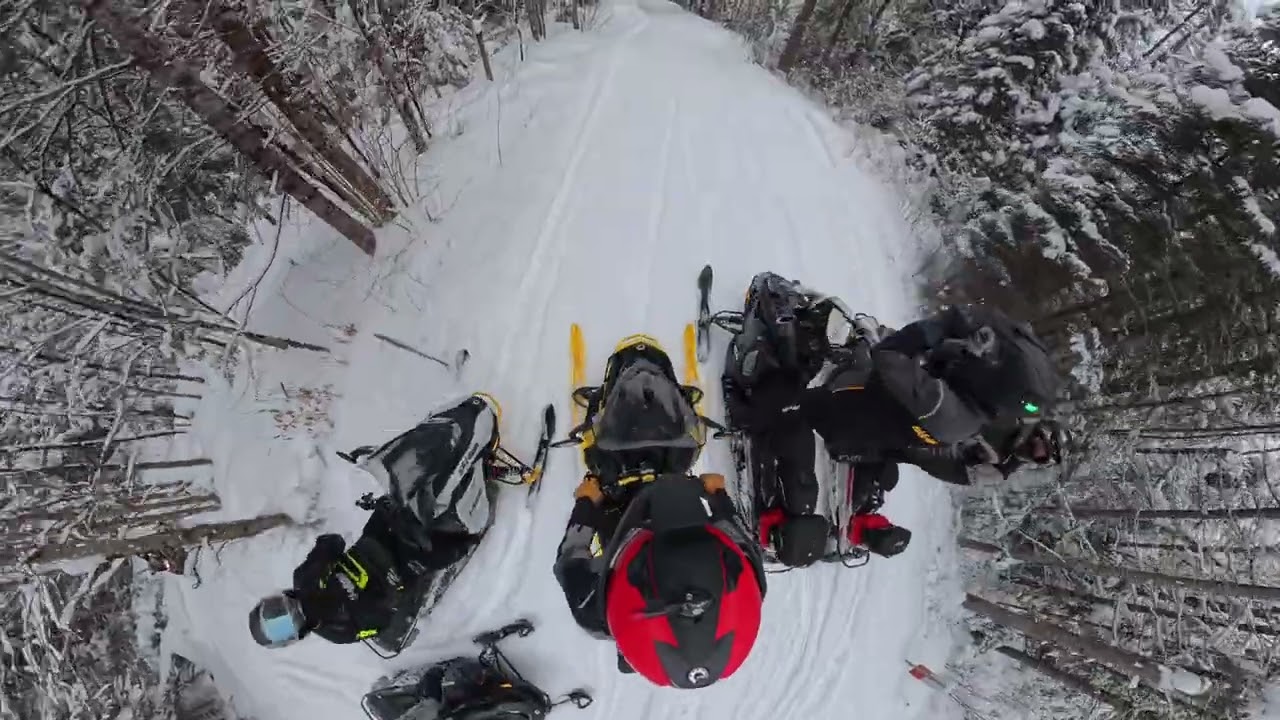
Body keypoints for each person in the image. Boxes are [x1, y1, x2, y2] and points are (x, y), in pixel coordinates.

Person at [553, 472, 766, 689]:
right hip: (673, 522)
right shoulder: (593, 614)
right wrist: (586, 503)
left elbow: (569, 557)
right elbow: (743, 541)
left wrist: (586, 502)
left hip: (634, 529)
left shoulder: (592, 609)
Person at [894, 418, 1068, 486]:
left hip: (958, 462)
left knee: (915, 452)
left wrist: (981, 458)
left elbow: (978, 475)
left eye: (1046, 453)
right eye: (1046, 445)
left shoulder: (1007, 466)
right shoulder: (1024, 419)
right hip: (960, 421)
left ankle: (880, 451)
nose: (1042, 449)